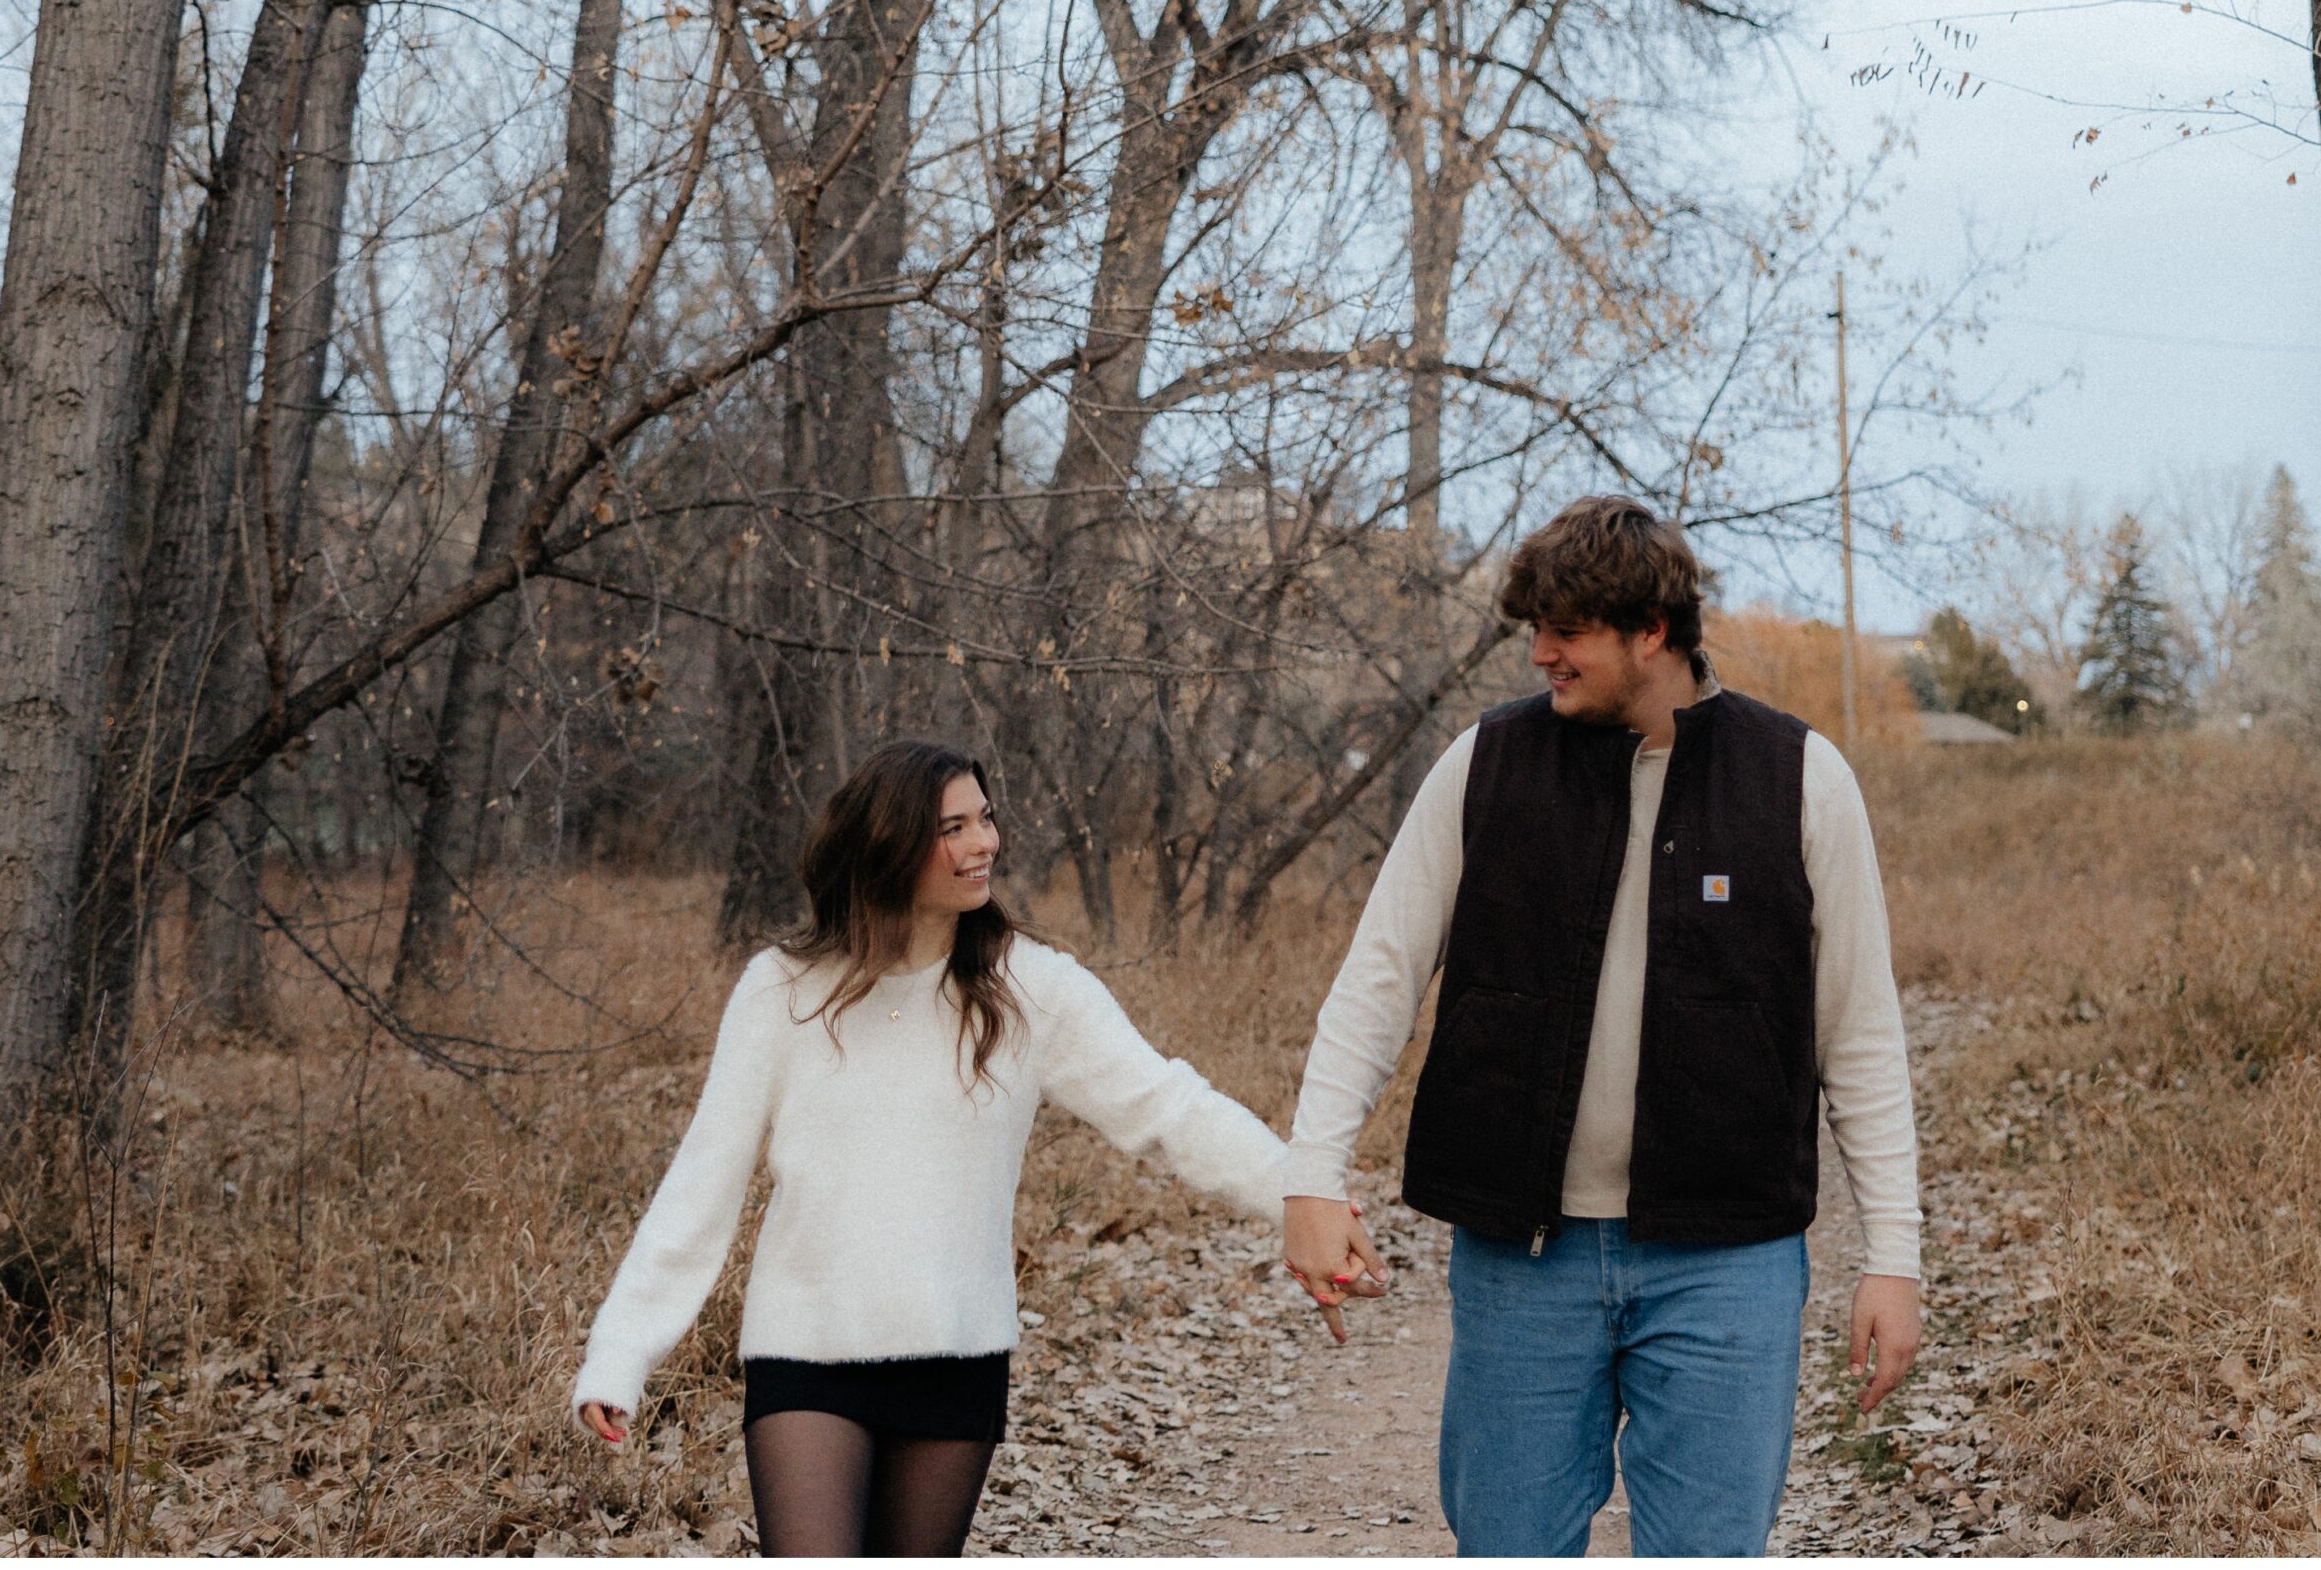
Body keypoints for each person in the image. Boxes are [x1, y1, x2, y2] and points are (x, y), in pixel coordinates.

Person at [1278, 495, 1925, 1557]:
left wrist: (1891, 1255)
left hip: (1728, 1261)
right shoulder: (1483, 766)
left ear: (1652, 631)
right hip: (1522, 1260)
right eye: (1533, 628)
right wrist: (1311, 1172)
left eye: (1564, 630)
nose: (1538, 653)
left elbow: (1859, 1033)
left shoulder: (1800, 780)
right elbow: (1376, 979)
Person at [570, 739, 1338, 1556]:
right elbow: (703, 1179)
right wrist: (621, 1351)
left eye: (986, 818)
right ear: (889, 845)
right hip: (806, 1353)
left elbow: (1169, 1107)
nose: (985, 843)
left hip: (955, 1357)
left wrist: (1303, 1193)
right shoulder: (780, 990)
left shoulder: (1031, 988)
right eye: (954, 827)